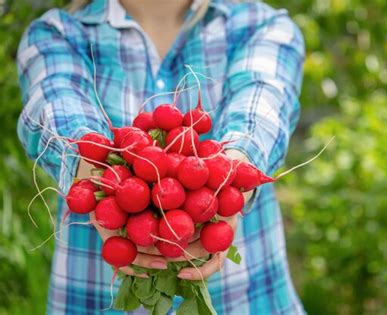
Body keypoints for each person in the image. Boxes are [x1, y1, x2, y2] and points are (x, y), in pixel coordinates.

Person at [17, 0, 305, 314]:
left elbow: (262, 107)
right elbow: (55, 104)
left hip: (247, 300)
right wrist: (91, 172)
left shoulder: (261, 25)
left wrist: (235, 167)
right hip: (93, 298)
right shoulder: (56, 34)